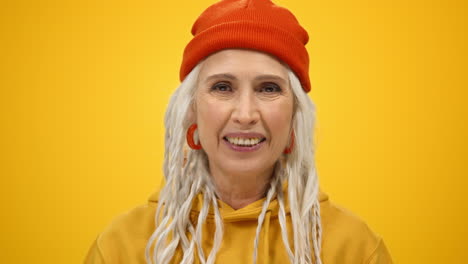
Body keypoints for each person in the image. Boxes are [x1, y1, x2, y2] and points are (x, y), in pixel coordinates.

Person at [84, 0, 393, 263]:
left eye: (268, 88)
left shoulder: (354, 249)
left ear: (295, 115)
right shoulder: (122, 247)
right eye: (222, 87)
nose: (245, 115)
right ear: (191, 110)